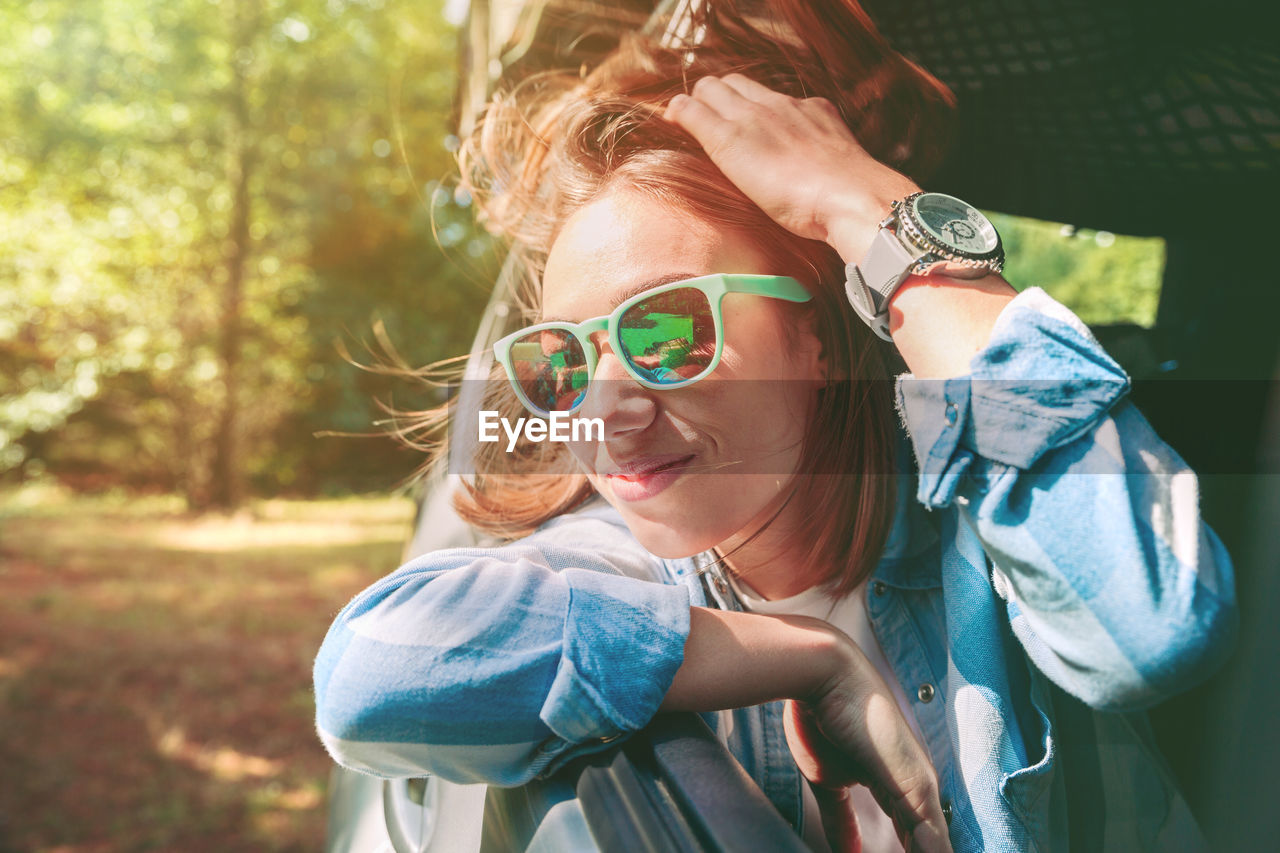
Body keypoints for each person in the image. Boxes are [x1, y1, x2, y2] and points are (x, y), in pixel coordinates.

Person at [313, 2, 1236, 850]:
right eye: (560, 359)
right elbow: (368, 676)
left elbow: (1148, 628)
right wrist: (811, 660)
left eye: (666, 330)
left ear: (819, 336)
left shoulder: (990, 538)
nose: (603, 406)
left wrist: (867, 209)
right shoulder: (621, 567)